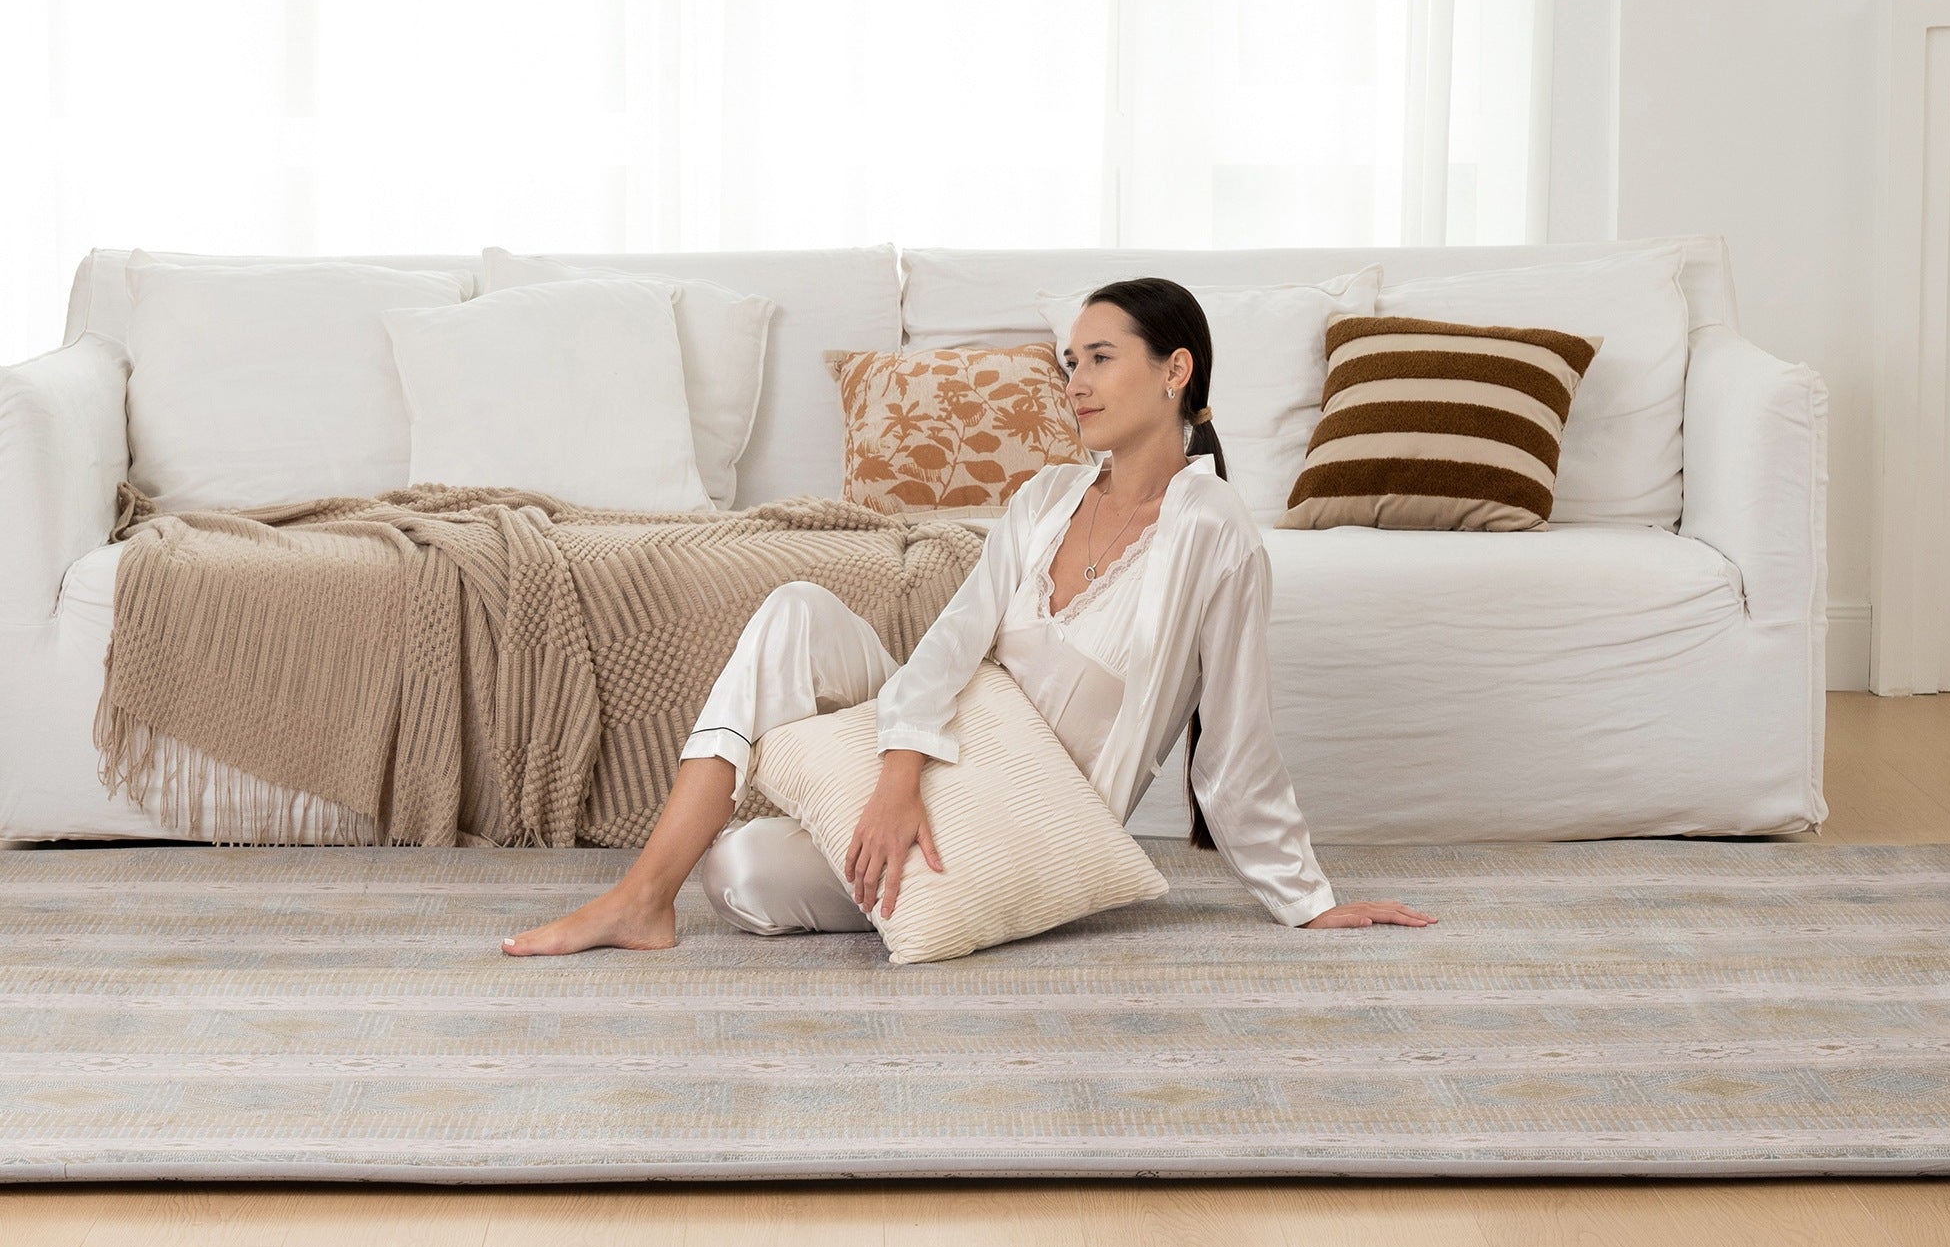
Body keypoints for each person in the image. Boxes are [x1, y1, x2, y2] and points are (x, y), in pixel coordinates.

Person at [502, 276, 1436, 954]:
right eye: (1070, 362)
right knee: (792, 610)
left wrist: (1308, 902)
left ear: (1175, 370)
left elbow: (1233, 747)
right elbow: (951, 645)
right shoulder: (1047, 497)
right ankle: (640, 898)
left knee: (742, 872)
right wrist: (898, 776)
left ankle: (792, 851)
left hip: (1025, 817)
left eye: (1100, 359)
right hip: (940, 752)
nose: (1075, 382)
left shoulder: (1214, 532)